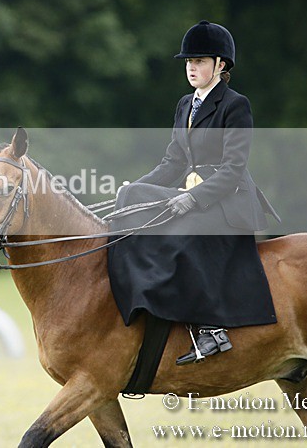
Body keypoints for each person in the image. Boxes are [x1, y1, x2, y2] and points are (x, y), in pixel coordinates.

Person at [107, 20, 280, 366]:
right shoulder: (186, 104)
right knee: (131, 201)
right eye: (188, 62)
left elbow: (232, 170)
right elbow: (172, 162)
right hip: (194, 195)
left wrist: (193, 199)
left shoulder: (235, 105)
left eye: (200, 61)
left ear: (221, 65)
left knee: (183, 235)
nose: (191, 67)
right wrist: (136, 189)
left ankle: (212, 329)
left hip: (229, 200)